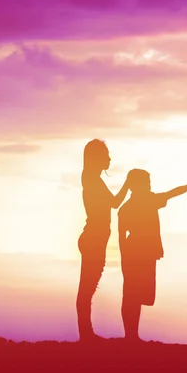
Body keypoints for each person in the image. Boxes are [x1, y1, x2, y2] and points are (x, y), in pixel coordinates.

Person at [118, 169, 187, 342]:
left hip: (141, 253)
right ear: (136, 186)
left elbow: (173, 193)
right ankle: (130, 336)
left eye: (149, 182)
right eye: (146, 183)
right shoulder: (135, 206)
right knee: (131, 295)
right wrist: (126, 259)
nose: (149, 185)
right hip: (136, 254)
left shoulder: (140, 204)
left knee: (135, 295)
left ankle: (132, 335)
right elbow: (121, 237)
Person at [77, 139, 130, 343]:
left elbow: (113, 203)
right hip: (92, 238)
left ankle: (86, 333)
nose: (109, 159)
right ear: (96, 158)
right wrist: (128, 184)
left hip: (94, 239)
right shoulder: (91, 178)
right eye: (106, 155)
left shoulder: (93, 179)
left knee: (88, 288)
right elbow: (116, 203)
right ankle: (86, 335)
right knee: (86, 289)